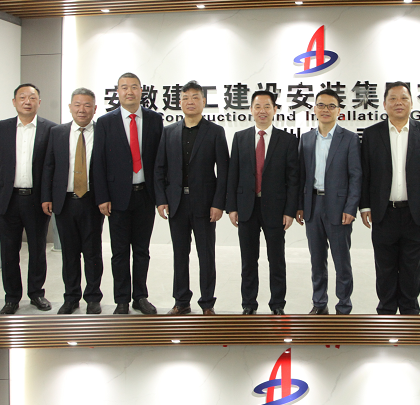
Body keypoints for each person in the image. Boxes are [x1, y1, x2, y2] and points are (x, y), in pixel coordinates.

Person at [360, 82, 420, 315]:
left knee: (411, 268)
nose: (398, 103)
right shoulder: (372, 134)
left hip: (416, 213)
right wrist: (365, 206)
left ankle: (409, 313)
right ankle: (385, 312)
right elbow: (365, 173)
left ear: (412, 103)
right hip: (383, 212)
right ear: (384, 104)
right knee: (384, 267)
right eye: (393, 99)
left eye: (404, 98)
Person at [155, 80, 229, 315]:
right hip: (176, 203)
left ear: (203, 102)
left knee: (206, 255)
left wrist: (218, 203)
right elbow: (160, 168)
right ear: (179, 102)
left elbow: (224, 171)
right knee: (180, 254)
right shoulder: (169, 132)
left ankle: (207, 303)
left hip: (205, 205)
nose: (190, 102)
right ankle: (181, 301)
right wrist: (161, 199)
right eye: (186, 98)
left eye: (195, 97)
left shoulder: (215, 132)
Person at [93, 72, 163, 315]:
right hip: (117, 198)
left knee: (142, 251)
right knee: (120, 252)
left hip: (145, 195)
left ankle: (140, 297)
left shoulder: (154, 119)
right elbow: (98, 162)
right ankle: (121, 299)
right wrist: (102, 197)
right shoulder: (105, 122)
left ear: (141, 91)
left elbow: (160, 161)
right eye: (124, 87)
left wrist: (160, 197)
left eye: (134, 87)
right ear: (118, 92)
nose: (129, 91)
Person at [227, 90, 299, 315]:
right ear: (251, 109)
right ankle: (249, 304)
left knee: (276, 260)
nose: (262, 111)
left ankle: (277, 305)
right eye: (257, 106)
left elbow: (293, 179)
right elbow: (232, 174)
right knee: (248, 261)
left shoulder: (287, 140)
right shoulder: (240, 138)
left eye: (267, 106)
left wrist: (289, 210)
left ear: (275, 110)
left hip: (275, 209)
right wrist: (232, 207)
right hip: (246, 207)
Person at [0, 84, 56, 315]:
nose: (27, 101)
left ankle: (36, 293)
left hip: (37, 200)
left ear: (39, 102)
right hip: (9, 199)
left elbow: (51, 165)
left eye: (32, 98)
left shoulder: (51, 129)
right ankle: (11, 298)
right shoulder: (0, 129)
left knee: (38, 249)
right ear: (14, 102)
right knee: (9, 251)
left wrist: (47, 196)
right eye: (22, 97)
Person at [296, 88, 362, 315]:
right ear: (314, 109)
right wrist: (300, 206)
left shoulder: (350, 139)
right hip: (312, 206)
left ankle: (343, 305)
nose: (326, 110)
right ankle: (319, 303)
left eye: (331, 106)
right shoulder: (306, 139)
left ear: (339, 110)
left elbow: (356, 176)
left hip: (339, 208)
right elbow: (301, 176)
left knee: (341, 260)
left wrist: (351, 207)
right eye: (321, 105)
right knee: (317, 260)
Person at [41, 88, 104, 314]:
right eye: (77, 104)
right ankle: (71, 297)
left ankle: (93, 297)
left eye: (87, 105)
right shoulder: (57, 132)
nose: (82, 109)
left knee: (92, 252)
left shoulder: (103, 132)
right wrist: (46, 197)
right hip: (65, 201)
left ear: (95, 109)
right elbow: (49, 166)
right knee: (69, 253)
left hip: (92, 201)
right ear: (70, 107)